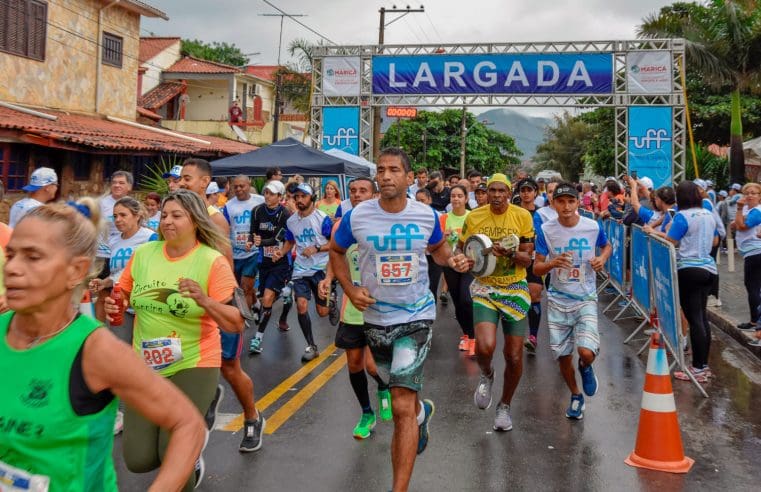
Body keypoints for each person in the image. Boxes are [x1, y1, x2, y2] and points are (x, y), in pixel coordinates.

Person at [2, 199, 205, 491]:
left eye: (33, 257)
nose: (13, 269)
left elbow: (188, 425)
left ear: (76, 271)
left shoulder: (95, 351)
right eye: (11, 255)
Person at [331, 148, 469, 492]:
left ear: (410, 178)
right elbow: (334, 250)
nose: (386, 175)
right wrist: (349, 288)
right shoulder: (357, 216)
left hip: (416, 316)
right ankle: (423, 414)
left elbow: (438, 250)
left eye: (394, 170)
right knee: (391, 388)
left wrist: (453, 261)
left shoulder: (425, 216)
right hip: (375, 318)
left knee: (401, 405)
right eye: (381, 169)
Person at [179, 159, 263, 453]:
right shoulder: (174, 216)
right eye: (180, 178)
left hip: (216, 302)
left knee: (230, 367)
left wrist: (211, 301)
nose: (181, 182)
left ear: (205, 183)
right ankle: (206, 396)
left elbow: (225, 270)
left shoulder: (215, 220)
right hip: (186, 305)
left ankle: (252, 417)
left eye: (187, 178)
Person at [459, 173, 534, 432]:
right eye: (492, 190)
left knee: (513, 355)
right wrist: (464, 260)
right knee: (486, 346)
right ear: (486, 192)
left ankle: (504, 405)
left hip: (514, 288)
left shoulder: (522, 216)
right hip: (485, 287)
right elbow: (463, 248)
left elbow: (528, 259)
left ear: (509, 191)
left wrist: (512, 253)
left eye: (502, 190)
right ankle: (487, 373)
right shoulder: (474, 217)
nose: (497, 195)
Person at [318, 177, 392, 439]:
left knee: (373, 366)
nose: (357, 195)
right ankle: (366, 412)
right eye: (353, 191)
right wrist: (328, 278)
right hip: (352, 304)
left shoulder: (383, 223)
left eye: (363, 191)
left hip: (379, 305)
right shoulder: (342, 224)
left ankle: (384, 387)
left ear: (373, 195)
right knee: (354, 364)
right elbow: (335, 255)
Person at [533, 183, 612, 420]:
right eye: (561, 202)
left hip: (585, 297)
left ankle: (586, 366)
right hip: (558, 299)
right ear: (553, 204)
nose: (566, 207)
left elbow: (607, 245)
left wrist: (602, 259)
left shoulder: (591, 226)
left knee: (585, 352)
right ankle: (576, 395)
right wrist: (552, 264)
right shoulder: (547, 230)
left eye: (571, 201)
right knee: (563, 356)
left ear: (578, 203)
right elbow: (536, 267)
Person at [660, 181, 718, 383]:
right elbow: (716, 241)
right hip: (709, 269)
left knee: (695, 320)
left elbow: (671, 241)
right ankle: (703, 365)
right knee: (702, 318)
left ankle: (697, 369)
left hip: (689, 270)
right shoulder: (708, 214)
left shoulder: (682, 217)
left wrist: (659, 233)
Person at [283, 182, 333, 361]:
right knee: (301, 305)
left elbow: (334, 245)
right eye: (296, 197)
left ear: (312, 198)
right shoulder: (291, 221)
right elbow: (289, 242)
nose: (299, 200)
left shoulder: (323, 219)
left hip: (320, 269)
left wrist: (317, 248)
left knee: (322, 312)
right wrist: (279, 253)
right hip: (301, 270)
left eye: (303, 196)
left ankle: (331, 301)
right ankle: (311, 346)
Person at [248, 180, 293, 353]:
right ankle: (285, 292)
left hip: (280, 261)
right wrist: (251, 241)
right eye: (266, 192)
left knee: (267, 298)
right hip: (263, 261)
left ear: (279, 197)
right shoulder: (257, 210)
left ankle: (257, 339)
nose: (267, 196)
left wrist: (261, 242)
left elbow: (280, 238)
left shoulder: (285, 214)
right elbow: (253, 231)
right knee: (264, 297)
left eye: (272, 193)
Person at [222, 175, 265, 325]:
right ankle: (256, 304)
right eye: (236, 187)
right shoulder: (228, 206)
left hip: (253, 252)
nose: (239, 189)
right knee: (241, 287)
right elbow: (225, 229)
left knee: (246, 286)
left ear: (249, 184)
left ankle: (243, 318)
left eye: (242, 186)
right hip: (235, 253)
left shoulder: (260, 201)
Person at [94, 171, 133, 321]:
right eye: (114, 182)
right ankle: (99, 328)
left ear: (129, 186)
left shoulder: (132, 205)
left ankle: (119, 322)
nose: (117, 185)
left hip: (124, 253)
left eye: (121, 183)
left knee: (121, 291)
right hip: (104, 254)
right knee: (104, 294)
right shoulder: (102, 203)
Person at [440, 185, 475, 354]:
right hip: (450, 264)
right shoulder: (444, 218)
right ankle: (466, 335)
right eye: (453, 196)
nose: (455, 199)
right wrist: (443, 238)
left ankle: (474, 337)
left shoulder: (473, 216)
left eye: (460, 196)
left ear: (466, 199)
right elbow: (437, 244)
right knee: (458, 303)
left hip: (469, 264)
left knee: (467, 299)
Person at [515, 178, 545, 355]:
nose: (526, 193)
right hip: (515, 258)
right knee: (516, 296)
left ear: (535, 192)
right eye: (523, 190)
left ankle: (533, 336)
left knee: (534, 294)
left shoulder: (541, 214)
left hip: (535, 259)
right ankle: (515, 334)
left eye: (529, 190)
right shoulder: (513, 212)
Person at [733, 182, 761, 339]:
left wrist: (738, 211)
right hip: (751, 252)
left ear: (759, 196)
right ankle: (755, 320)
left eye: (754, 193)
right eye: (747, 193)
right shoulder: (749, 210)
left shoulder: (756, 211)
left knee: (753, 287)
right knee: (753, 286)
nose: (750, 195)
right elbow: (735, 224)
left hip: (755, 252)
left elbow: (741, 226)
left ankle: (755, 321)